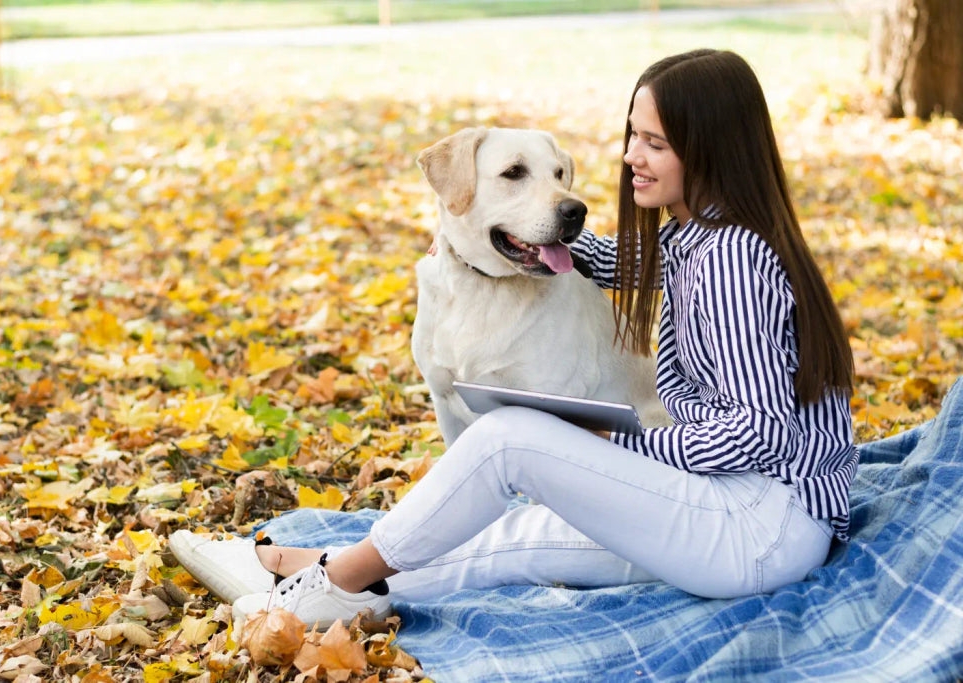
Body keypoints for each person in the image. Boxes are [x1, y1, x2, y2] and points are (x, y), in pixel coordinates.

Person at [169, 49, 858, 628]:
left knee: (511, 437)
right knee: (516, 541)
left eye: (654, 142)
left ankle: (327, 577)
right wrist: (537, 231)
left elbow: (758, 434)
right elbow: (623, 262)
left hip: (760, 524)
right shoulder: (699, 237)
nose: (628, 158)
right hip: (738, 511)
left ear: (707, 147)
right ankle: (292, 576)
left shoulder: (732, 259)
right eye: (631, 135)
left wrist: (620, 443)